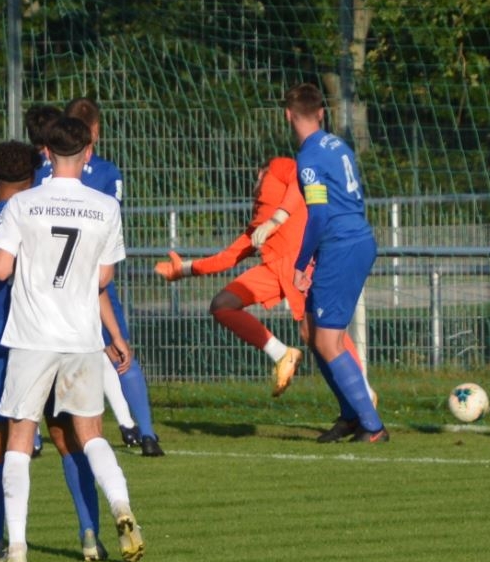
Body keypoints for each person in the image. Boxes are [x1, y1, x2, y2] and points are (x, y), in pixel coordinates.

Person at [0, 139, 124, 562]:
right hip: (60, 339)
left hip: (6, 349)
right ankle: (90, 534)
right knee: (69, 438)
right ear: (36, 174)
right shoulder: (47, 210)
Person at [0, 116, 144, 562]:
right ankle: (120, 505)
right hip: (81, 336)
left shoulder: (23, 204)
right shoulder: (105, 208)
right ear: (88, 152)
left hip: (32, 336)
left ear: (46, 153)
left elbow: (0, 269)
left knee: (20, 437)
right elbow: (103, 277)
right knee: (91, 434)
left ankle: (18, 548)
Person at [152, 157, 374, 442]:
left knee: (321, 333)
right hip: (273, 269)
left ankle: (363, 398)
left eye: (257, 179)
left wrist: (276, 219)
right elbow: (227, 257)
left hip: (301, 264)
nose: (255, 186)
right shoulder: (257, 223)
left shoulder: (278, 167)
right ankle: (283, 354)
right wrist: (183, 269)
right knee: (222, 305)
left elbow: (300, 178)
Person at [40, 99, 161, 457]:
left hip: (47, 284)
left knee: (42, 357)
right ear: (94, 132)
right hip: (92, 281)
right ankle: (147, 433)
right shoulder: (108, 172)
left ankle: (30, 437)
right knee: (118, 349)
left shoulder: (42, 169)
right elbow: (111, 222)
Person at [284, 83, 386, 443]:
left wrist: (301, 262)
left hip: (341, 246)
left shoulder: (309, 157)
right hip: (353, 240)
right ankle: (350, 415)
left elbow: (319, 215)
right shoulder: (337, 144)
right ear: (321, 113)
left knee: (329, 342)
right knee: (311, 331)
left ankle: (373, 426)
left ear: (288, 115)